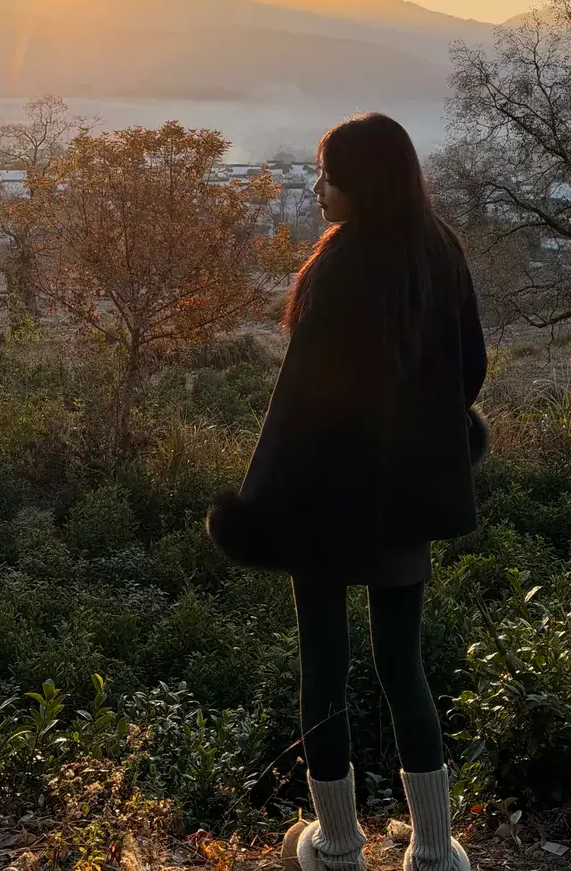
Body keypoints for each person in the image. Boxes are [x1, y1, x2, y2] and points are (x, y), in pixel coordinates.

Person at [207, 113, 488, 871]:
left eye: (326, 173)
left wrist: (259, 502)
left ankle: (336, 843)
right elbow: (471, 372)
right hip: (408, 499)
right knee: (405, 666)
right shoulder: (440, 249)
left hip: (328, 504)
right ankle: (433, 848)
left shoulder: (337, 269)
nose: (317, 185)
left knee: (323, 664)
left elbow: (299, 405)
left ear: (360, 182)